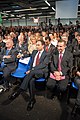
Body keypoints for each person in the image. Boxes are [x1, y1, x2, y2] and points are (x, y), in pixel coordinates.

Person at [8, 39, 49, 111]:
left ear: (43, 46)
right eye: (36, 45)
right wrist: (22, 55)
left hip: (41, 72)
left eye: (38, 45)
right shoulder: (34, 52)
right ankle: (32, 100)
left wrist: (32, 70)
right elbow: (28, 55)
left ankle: (19, 90)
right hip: (32, 73)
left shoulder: (47, 54)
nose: (37, 46)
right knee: (31, 81)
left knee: (32, 73)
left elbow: (43, 65)